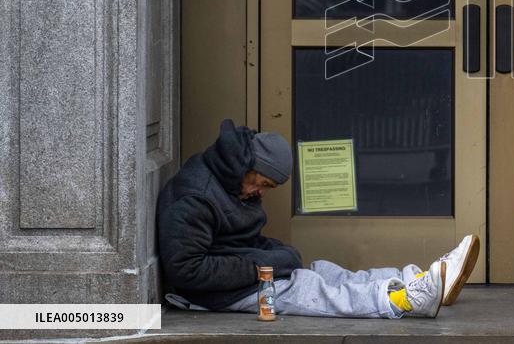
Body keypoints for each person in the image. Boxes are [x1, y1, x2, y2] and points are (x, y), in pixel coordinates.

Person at [156, 119, 480, 319]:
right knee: (312, 290)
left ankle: (417, 278)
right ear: (245, 167)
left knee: (323, 271)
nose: (261, 192)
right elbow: (187, 270)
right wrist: (263, 266)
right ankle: (405, 300)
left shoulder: (231, 181)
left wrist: (274, 256)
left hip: (243, 272)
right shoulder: (195, 199)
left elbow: (237, 241)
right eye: (262, 183)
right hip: (221, 293)